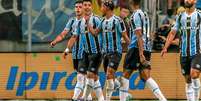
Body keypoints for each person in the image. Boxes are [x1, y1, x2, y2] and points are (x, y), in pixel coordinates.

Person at [117, 0, 167, 101]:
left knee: (125, 75)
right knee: (145, 76)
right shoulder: (144, 14)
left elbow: (139, 34)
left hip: (136, 48)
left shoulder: (135, 15)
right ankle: (163, 99)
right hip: (147, 48)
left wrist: (140, 53)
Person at [50, 1, 92, 100]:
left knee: (80, 76)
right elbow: (63, 34)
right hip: (75, 54)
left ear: (83, 8)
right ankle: (88, 97)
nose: (78, 9)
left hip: (85, 52)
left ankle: (75, 98)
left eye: (80, 7)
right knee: (83, 75)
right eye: (76, 7)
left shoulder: (88, 21)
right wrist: (55, 42)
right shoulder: (72, 21)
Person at [63, 0, 104, 101]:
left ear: (91, 7)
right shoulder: (79, 22)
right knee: (82, 76)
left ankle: (90, 98)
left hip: (96, 53)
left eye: (89, 5)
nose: (87, 7)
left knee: (90, 76)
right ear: (82, 7)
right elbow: (74, 36)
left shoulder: (97, 20)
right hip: (85, 53)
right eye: (85, 5)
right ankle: (77, 98)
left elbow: (104, 34)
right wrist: (68, 49)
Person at [89, 0, 130, 100]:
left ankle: (107, 99)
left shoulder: (118, 21)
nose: (101, 8)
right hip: (105, 53)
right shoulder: (102, 21)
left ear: (107, 8)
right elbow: (95, 33)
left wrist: (133, 49)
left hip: (116, 52)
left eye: (102, 6)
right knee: (110, 77)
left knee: (109, 73)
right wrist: (87, 24)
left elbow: (125, 36)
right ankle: (120, 84)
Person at [161, 0, 201, 100]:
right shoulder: (180, 16)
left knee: (194, 74)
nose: (187, 0)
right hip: (183, 53)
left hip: (197, 51)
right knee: (187, 79)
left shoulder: (199, 15)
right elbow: (172, 33)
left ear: (195, 1)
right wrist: (165, 47)